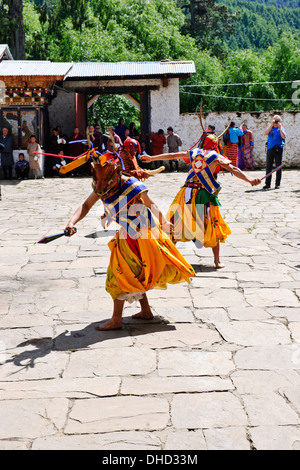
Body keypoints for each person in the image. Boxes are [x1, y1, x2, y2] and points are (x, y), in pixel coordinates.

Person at [64, 152, 195, 330]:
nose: (101, 185)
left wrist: (164, 222)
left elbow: (150, 204)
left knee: (118, 274)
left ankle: (116, 320)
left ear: (115, 173)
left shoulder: (131, 184)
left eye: (104, 180)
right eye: (98, 180)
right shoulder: (101, 185)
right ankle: (146, 310)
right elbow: (86, 206)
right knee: (136, 272)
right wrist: (71, 222)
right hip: (128, 232)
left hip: (140, 234)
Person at [141, 132, 261, 269]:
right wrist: (249, 180)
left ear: (203, 143)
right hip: (203, 195)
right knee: (211, 224)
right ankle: (217, 261)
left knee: (177, 222)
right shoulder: (216, 156)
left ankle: (166, 256)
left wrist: (151, 158)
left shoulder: (193, 153)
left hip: (186, 192)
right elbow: (233, 168)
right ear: (216, 145)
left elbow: (173, 155)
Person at [264, 115, 286, 190]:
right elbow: (266, 133)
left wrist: (280, 128)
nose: (276, 123)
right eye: (275, 121)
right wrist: (271, 125)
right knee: (268, 166)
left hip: (278, 149)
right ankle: (267, 184)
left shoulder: (281, 128)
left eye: (277, 121)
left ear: (280, 122)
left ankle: (277, 184)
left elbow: (284, 137)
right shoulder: (270, 128)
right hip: (270, 148)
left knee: (278, 166)